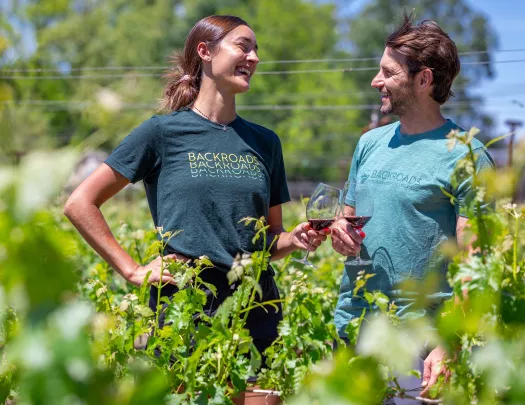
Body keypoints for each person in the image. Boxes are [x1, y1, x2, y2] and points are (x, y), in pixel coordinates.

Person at [64, 15, 326, 405]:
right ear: (205, 52)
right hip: (185, 306)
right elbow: (79, 202)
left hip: (256, 304)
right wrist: (132, 270)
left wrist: (296, 239)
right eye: (243, 46)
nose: (253, 57)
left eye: (256, 50)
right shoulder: (162, 133)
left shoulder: (265, 142)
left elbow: (269, 239)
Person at [330, 13, 494, 402]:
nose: (376, 82)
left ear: (424, 80)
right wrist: (339, 231)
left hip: (421, 346)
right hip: (355, 328)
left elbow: (476, 262)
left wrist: (450, 343)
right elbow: (347, 217)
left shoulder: (467, 155)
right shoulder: (370, 143)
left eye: (388, 73)